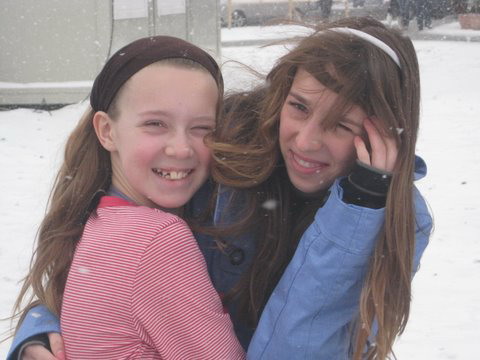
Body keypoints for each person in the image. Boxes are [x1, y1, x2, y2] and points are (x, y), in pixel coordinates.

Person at [8, 17, 432, 360]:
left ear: (385, 135)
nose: (305, 141)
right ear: (281, 94)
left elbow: (305, 346)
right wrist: (41, 330)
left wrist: (356, 213)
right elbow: (109, 256)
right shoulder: (225, 147)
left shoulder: (395, 220)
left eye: (341, 124)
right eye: (299, 107)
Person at [7, 35, 245, 359]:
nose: (182, 148)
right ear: (107, 131)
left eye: (203, 128)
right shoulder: (158, 239)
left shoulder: (96, 221)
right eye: (155, 124)